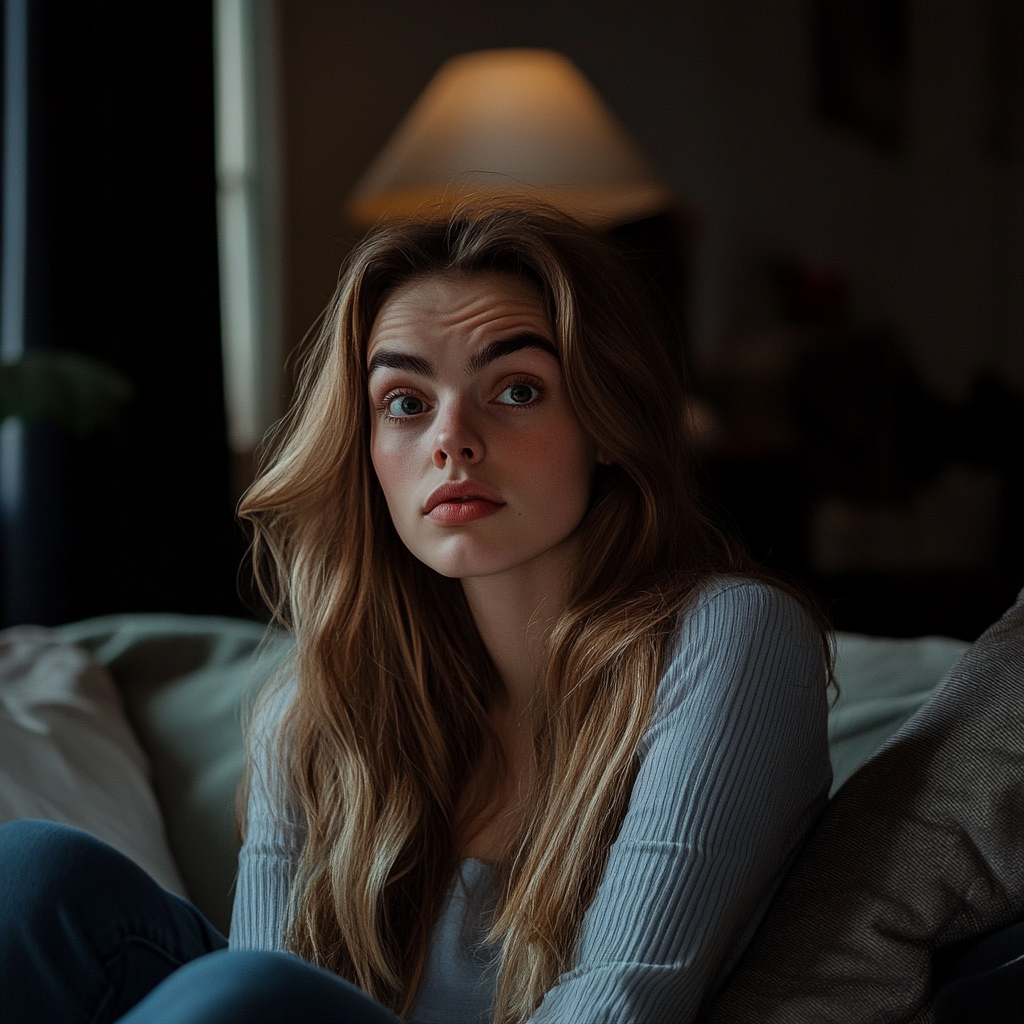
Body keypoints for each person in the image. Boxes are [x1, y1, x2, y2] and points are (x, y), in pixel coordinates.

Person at [0, 204, 833, 1024]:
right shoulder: (319, 706)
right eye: (405, 402)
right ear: (365, 448)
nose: (452, 439)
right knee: (34, 877)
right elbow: (273, 973)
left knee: (246, 994)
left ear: (605, 423)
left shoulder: (731, 637)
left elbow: (621, 1004)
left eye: (515, 389)